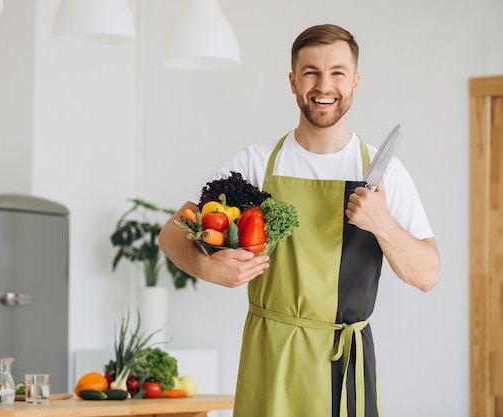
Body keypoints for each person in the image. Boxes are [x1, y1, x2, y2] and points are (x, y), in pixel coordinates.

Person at [158, 23, 440, 417]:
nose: (324, 85)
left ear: (356, 81)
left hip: (342, 364)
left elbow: (428, 274)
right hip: (269, 355)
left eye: (337, 72)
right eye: (311, 72)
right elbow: (170, 234)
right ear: (292, 81)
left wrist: (383, 224)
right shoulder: (253, 166)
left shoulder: (383, 172)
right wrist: (206, 266)